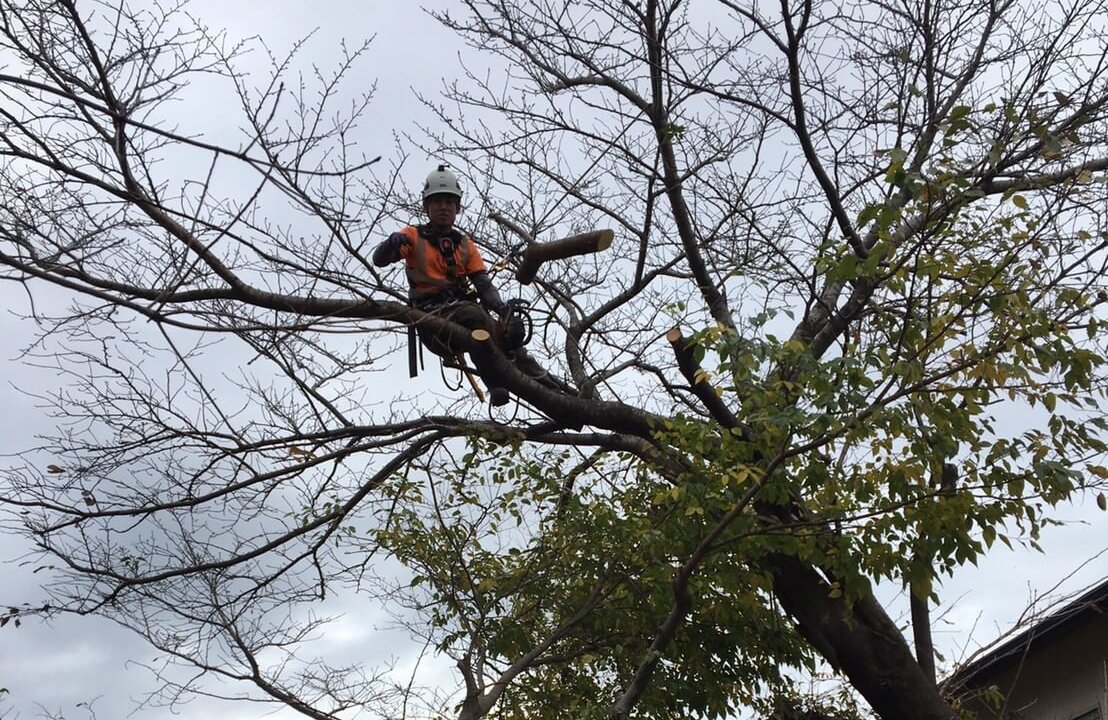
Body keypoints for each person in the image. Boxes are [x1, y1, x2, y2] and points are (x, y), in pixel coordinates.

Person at [373, 165, 545, 406]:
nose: (444, 207)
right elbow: (379, 260)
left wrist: (504, 311)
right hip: (432, 319)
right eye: (438, 202)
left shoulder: (464, 244)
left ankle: (548, 385)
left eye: (449, 203)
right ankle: (494, 383)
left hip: (464, 314)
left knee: (506, 336)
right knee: (474, 315)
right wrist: (390, 244)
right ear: (426, 207)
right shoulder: (412, 236)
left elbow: (483, 284)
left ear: (458, 208)